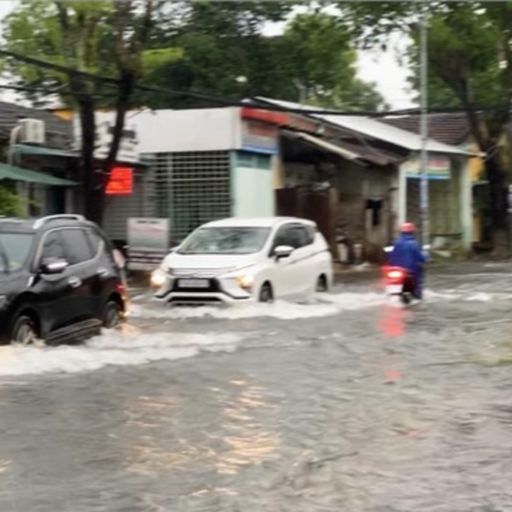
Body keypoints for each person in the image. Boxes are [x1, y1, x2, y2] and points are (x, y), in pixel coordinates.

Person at [388, 222, 426, 300]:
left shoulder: (396, 243)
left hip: (397, 271)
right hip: (412, 272)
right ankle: (417, 295)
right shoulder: (414, 244)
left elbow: (391, 257)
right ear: (412, 232)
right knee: (418, 282)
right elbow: (421, 258)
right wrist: (425, 256)